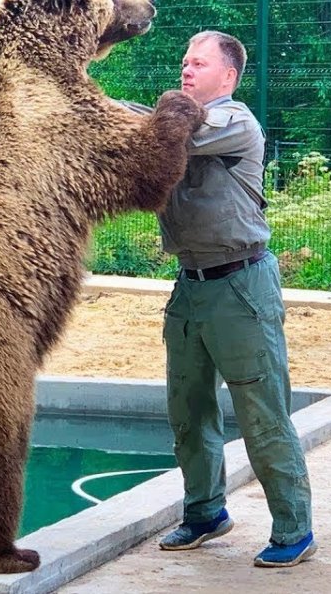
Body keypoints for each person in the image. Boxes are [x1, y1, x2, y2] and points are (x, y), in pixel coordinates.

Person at [117, 30, 316, 568]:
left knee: (262, 411)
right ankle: (205, 514)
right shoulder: (172, 122)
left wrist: (120, 115)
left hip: (241, 287)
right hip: (190, 286)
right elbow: (141, 124)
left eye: (198, 63)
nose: (186, 69)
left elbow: (163, 139)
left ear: (227, 76)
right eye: (184, 61)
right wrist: (80, 96)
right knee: (188, 409)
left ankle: (294, 527)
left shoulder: (236, 123)